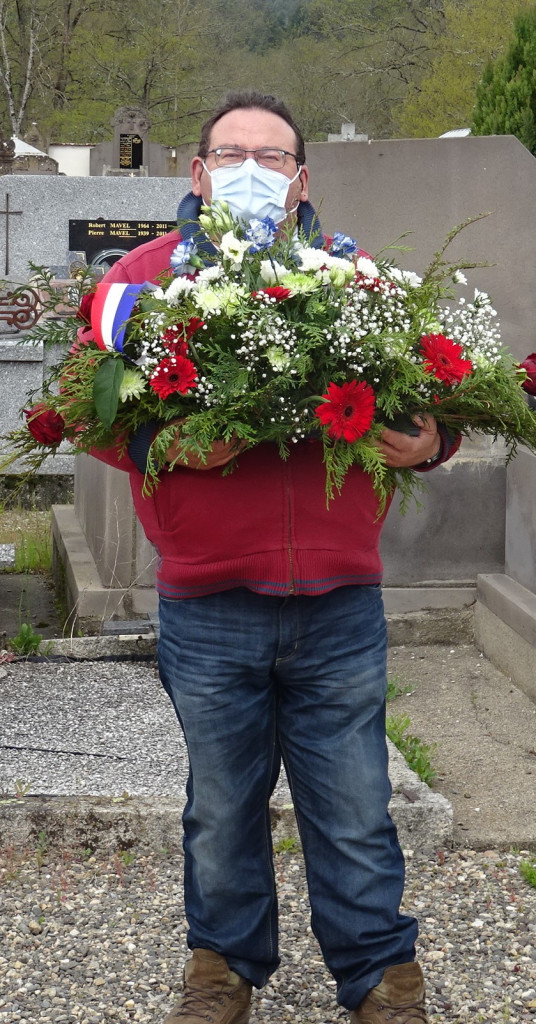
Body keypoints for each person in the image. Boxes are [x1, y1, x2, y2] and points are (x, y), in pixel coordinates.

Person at [87, 90, 461, 1024]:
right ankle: (222, 970)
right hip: (209, 602)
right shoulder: (141, 283)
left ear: (301, 180)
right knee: (221, 807)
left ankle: (382, 977)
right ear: (198, 170)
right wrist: (167, 445)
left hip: (338, 601)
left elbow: (438, 393)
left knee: (357, 804)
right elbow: (88, 413)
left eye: (272, 157)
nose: (250, 170)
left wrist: (433, 441)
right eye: (231, 154)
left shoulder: (360, 282)